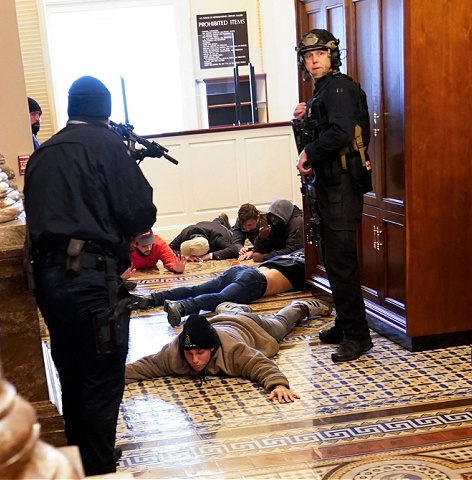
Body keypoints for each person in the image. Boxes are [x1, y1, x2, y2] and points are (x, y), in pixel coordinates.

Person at [23, 75, 157, 475]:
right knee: (102, 376)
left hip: (48, 281)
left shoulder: (44, 153)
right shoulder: (108, 146)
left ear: (70, 108)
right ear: (106, 110)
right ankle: (98, 469)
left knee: (71, 371)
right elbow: (139, 214)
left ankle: (81, 460)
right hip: (93, 280)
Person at [293, 29, 373, 363]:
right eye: (309, 56)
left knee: (341, 262)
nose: (314, 61)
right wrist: (302, 119)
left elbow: (340, 133)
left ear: (332, 55)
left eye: (320, 55)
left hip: (341, 187)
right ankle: (344, 323)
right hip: (327, 187)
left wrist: (309, 150)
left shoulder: (339, 87)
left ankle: (358, 336)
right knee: (332, 259)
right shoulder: (321, 93)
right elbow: (322, 130)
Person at [125, 299, 332, 401]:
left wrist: (278, 385)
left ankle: (302, 305)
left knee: (281, 323)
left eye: (200, 353)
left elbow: (259, 363)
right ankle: (230, 307)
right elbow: (146, 366)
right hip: (220, 321)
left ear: (212, 349)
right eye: (190, 354)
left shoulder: (234, 350)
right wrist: (111, 378)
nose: (195, 360)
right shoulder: (174, 352)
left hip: (251, 327)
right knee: (231, 311)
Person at [135, 249, 312, 327]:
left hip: (241, 270)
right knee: (221, 298)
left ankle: (152, 298)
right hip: (256, 281)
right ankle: (182, 307)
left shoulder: (293, 255)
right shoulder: (309, 265)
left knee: (197, 289)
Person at [168, 219, 238, 261]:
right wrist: (186, 256)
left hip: (222, 230)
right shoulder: (185, 233)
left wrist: (210, 256)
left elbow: (234, 249)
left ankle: (221, 221)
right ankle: (219, 219)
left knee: (232, 233)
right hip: (205, 225)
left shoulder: (217, 238)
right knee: (215, 222)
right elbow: (168, 249)